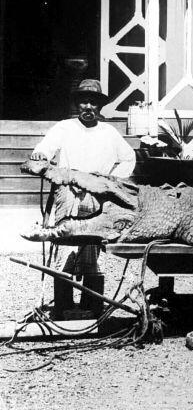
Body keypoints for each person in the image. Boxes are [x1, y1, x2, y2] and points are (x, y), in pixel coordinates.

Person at [30, 79, 136, 318]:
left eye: (94, 103)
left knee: (90, 246)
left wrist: (110, 180)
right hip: (68, 191)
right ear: (77, 104)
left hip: (96, 193)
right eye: (84, 102)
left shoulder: (109, 132)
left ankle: (91, 307)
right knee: (64, 244)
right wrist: (41, 154)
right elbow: (44, 148)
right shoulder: (64, 128)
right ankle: (63, 307)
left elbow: (129, 158)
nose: (88, 106)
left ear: (100, 106)